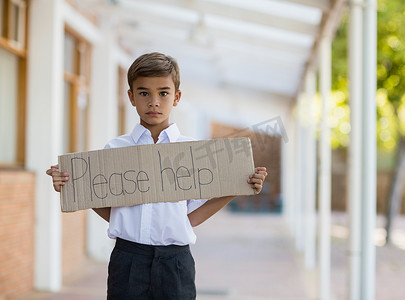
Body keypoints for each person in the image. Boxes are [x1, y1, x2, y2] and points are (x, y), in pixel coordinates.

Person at [46, 52, 268, 300]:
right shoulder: (115, 150)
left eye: (163, 93)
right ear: (131, 97)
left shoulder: (193, 153)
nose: (154, 102)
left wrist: (239, 186)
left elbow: (191, 218)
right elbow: (108, 206)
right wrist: (71, 185)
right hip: (127, 260)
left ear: (177, 97)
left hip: (175, 264)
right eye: (144, 93)